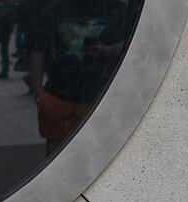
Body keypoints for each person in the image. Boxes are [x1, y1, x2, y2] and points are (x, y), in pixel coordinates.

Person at [28, 0, 139, 155]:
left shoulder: (117, 9)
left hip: (97, 95)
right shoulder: (56, 9)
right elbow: (37, 49)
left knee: (94, 153)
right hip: (68, 95)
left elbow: (134, 43)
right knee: (65, 153)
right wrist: (38, 93)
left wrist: (106, 50)